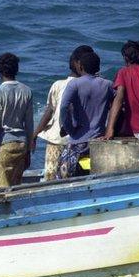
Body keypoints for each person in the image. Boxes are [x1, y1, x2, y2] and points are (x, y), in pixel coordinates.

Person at [32, 45, 91, 181]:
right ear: (80, 64)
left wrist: (35, 134)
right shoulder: (91, 85)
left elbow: (49, 112)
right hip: (82, 143)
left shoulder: (58, 85)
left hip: (56, 141)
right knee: (78, 177)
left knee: (51, 178)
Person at [0, 53, 33, 189]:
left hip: (5, 146)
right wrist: (28, 151)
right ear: (17, 70)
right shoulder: (26, 91)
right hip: (21, 145)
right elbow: (29, 124)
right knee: (15, 184)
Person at [57, 51, 113, 178]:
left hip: (78, 143)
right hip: (98, 141)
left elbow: (64, 108)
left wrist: (69, 129)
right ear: (98, 67)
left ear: (80, 67)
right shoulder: (107, 84)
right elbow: (118, 106)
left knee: (63, 176)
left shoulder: (74, 84)